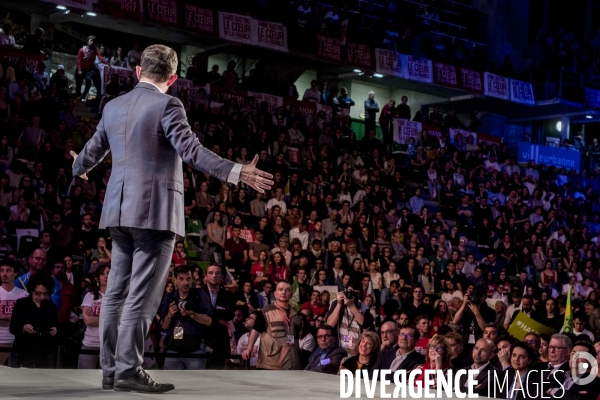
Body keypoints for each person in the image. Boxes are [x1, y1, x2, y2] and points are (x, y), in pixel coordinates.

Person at [70, 45, 273, 393]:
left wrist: (79, 167)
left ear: (137, 71)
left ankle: (110, 371)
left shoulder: (114, 106)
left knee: (115, 294)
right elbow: (192, 152)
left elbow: (91, 151)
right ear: (173, 78)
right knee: (141, 297)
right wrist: (238, 171)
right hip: (154, 213)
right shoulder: (168, 104)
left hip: (118, 211)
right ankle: (129, 370)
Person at [160, 265, 212, 370]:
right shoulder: (169, 297)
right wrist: (169, 315)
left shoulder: (199, 294)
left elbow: (209, 321)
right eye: (181, 279)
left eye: (188, 279)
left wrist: (192, 314)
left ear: (192, 279)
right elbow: (164, 327)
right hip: (174, 347)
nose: (185, 283)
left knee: (195, 383)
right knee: (169, 381)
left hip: (195, 348)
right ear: (175, 280)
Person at [242, 281, 301, 370]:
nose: (284, 292)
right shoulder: (266, 310)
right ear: (275, 294)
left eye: (287, 290)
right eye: (280, 290)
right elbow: (255, 330)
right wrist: (249, 348)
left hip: (292, 365)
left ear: (291, 295)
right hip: (270, 364)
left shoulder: (296, 315)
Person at [9, 273, 58, 368]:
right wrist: (23, 328)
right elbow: (12, 327)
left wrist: (55, 330)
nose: (42, 297)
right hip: (23, 351)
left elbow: (56, 325)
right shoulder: (21, 304)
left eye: (45, 293)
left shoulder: (50, 306)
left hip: (44, 353)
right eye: (38, 293)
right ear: (32, 290)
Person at [78, 264, 110, 369]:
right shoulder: (90, 296)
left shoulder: (117, 298)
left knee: (107, 381)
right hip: (90, 343)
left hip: (109, 346)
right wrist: (110, 319)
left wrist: (96, 318)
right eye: (102, 274)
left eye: (108, 273)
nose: (106, 276)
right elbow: (87, 321)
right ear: (96, 278)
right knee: (84, 379)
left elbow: (120, 321)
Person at [0, 259, 28, 366]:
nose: (4, 274)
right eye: (2, 271)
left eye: (8, 270)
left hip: (17, 341)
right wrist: (15, 320)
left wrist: (4, 318)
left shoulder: (23, 295)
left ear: (16, 273)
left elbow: (25, 319)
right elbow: (18, 320)